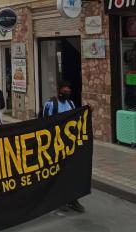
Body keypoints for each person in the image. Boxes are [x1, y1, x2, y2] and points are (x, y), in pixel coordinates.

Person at [42, 80, 84, 213]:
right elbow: (43, 124)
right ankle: (57, 199)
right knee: (57, 174)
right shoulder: (50, 105)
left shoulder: (71, 104)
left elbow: (77, 120)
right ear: (59, 90)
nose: (67, 91)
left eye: (68, 89)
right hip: (55, 146)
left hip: (69, 146)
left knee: (71, 173)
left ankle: (73, 199)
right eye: (64, 89)